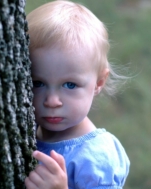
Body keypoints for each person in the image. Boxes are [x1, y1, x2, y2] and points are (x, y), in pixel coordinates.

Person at [25, 1, 130, 189]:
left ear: (98, 83)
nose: (52, 101)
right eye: (37, 83)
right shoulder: (27, 132)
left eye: (70, 85)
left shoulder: (96, 157)